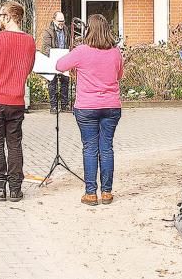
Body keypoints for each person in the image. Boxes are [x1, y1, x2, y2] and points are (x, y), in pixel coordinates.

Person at [56, 14, 123, 206]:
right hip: (111, 106)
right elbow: (119, 74)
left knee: (90, 148)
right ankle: (107, 193)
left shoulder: (82, 51)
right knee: (107, 148)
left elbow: (59, 65)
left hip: (86, 107)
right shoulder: (116, 52)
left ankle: (91, 193)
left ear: (88, 30)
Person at [0, 1, 36, 202]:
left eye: (2, 15)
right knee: (14, 145)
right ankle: (15, 189)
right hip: (16, 101)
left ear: (10, 17)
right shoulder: (30, 40)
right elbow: (28, 68)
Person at [40, 11, 70, 114]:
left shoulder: (65, 29)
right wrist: (56, 55)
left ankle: (64, 105)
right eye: (59, 22)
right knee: (52, 83)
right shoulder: (48, 31)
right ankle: (53, 106)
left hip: (64, 59)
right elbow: (45, 48)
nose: (61, 24)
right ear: (54, 20)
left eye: (63, 21)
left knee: (65, 81)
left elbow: (67, 43)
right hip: (52, 60)